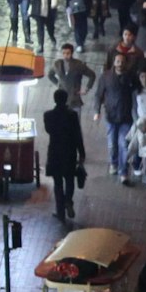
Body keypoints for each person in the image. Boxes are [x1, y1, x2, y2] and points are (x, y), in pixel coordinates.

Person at [43, 88, 85, 219]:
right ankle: (68, 201)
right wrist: (82, 152)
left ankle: (60, 210)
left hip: (55, 151)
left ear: (55, 100)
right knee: (69, 178)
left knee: (58, 182)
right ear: (66, 99)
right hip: (69, 151)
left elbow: (49, 130)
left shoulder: (48, 115)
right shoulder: (72, 115)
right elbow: (78, 135)